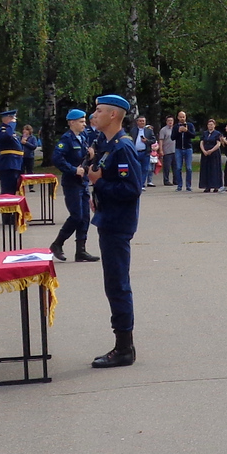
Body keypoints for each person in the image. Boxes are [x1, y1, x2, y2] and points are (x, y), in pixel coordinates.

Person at [87, 94, 144, 368]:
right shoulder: (108, 145)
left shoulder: (123, 148)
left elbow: (132, 189)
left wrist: (99, 185)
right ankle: (123, 345)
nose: (92, 115)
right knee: (114, 284)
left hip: (117, 225)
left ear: (113, 115)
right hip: (108, 220)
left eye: (98, 111)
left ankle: (124, 348)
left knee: (118, 285)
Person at [50, 109, 97, 261]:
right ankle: (57, 243)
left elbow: (84, 159)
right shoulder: (67, 139)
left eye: (84, 121)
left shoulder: (82, 137)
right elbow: (57, 158)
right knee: (76, 216)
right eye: (81, 122)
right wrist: (73, 170)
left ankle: (81, 251)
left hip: (82, 182)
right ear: (71, 123)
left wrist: (90, 156)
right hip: (71, 183)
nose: (84, 124)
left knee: (85, 217)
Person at [0, 109, 25, 194]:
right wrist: (11, 125)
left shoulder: (12, 132)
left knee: (13, 189)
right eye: (12, 118)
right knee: (8, 191)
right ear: (7, 119)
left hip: (15, 163)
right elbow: (7, 136)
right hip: (8, 164)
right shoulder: (3, 130)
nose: (14, 120)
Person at [198, 118, 225, 193]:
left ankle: (216, 186)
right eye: (209, 124)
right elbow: (201, 142)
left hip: (214, 154)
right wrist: (203, 151)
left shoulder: (217, 133)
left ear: (214, 125)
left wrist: (211, 150)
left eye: (212, 124)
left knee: (214, 169)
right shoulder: (205, 133)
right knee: (206, 170)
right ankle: (207, 186)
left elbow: (218, 144)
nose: (210, 126)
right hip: (205, 154)